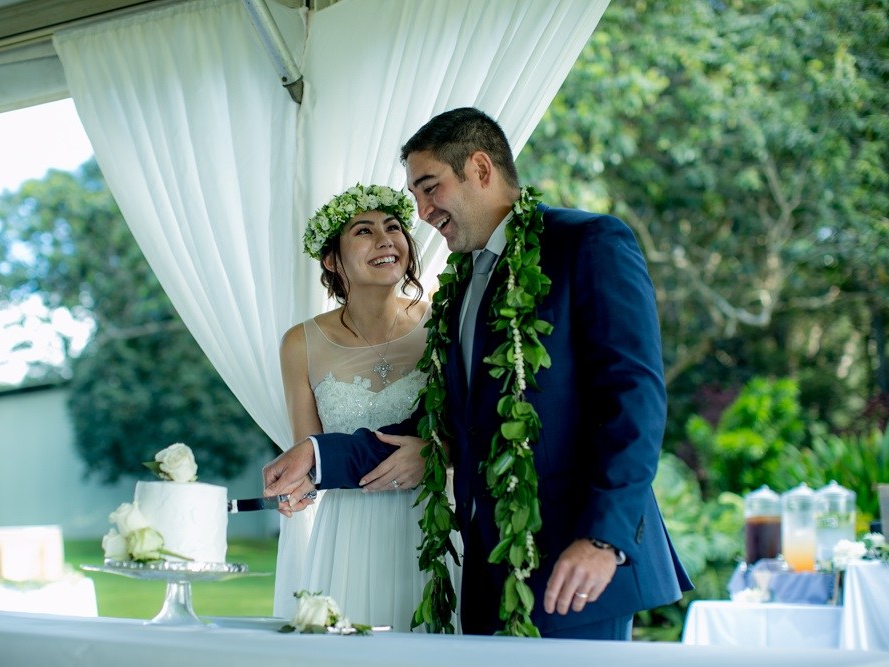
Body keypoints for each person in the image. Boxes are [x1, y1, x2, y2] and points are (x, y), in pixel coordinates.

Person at [264, 108, 692, 640]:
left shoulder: (587, 243)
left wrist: (603, 540)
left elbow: (635, 402)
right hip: (486, 571)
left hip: (576, 567)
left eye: (429, 188)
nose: (420, 213)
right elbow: (439, 420)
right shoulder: (464, 282)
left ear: (481, 169)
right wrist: (319, 454)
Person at [278, 183, 459, 632]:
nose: (385, 239)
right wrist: (295, 486)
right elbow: (310, 450)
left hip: (433, 521)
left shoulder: (442, 321)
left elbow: (465, 421)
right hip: (349, 532)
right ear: (332, 260)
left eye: (393, 227)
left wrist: (437, 452)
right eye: (364, 231)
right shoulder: (300, 342)